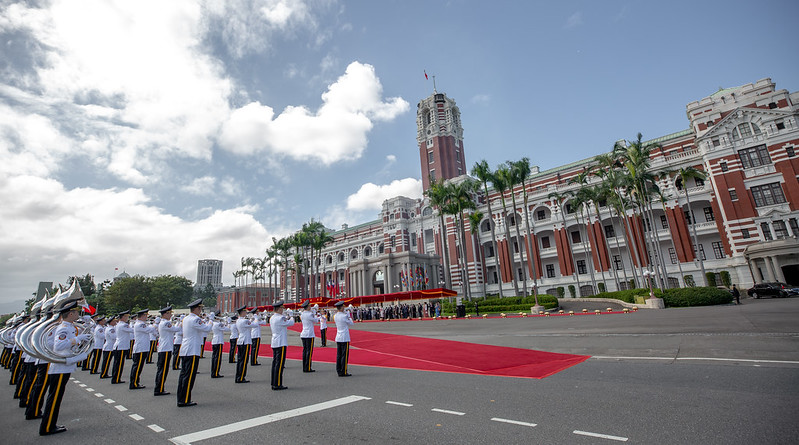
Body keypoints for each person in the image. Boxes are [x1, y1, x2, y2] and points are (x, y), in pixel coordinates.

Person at [39, 301, 89, 436]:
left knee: (56, 397)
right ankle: (48, 426)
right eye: (77, 312)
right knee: (54, 398)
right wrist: (77, 339)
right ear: (71, 313)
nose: (78, 314)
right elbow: (59, 346)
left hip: (64, 366)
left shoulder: (69, 327)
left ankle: (50, 424)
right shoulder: (63, 328)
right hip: (60, 366)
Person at [176, 299, 211, 407]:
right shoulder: (195, 319)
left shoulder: (186, 318)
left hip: (186, 349)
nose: (201, 311)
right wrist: (211, 321)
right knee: (189, 376)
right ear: (196, 308)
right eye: (200, 309)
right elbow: (207, 329)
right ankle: (185, 399)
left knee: (183, 375)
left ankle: (181, 398)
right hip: (192, 350)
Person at [154, 306, 180, 396]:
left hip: (164, 348)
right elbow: (176, 329)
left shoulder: (164, 323)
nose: (171, 315)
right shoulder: (165, 323)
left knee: (162, 369)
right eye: (169, 313)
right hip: (165, 348)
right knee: (163, 370)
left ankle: (159, 388)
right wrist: (181, 323)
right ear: (165, 314)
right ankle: (159, 389)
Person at [269, 301, 294, 390]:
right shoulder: (280, 318)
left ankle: (274, 382)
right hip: (281, 342)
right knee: (279, 364)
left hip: (275, 342)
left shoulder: (272, 317)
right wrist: (291, 315)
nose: (282, 310)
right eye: (282, 308)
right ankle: (278, 384)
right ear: (279, 309)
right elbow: (291, 323)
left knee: (275, 363)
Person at [130, 309, 154, 389]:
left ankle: (136, 382)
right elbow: (149, 329)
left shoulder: (141, 324)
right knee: (137, 367)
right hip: (140, 348)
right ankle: (134, 383)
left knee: (138, 367)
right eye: (146, 315)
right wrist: (152, 325)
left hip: (142, 348)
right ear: (142, 316)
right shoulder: (140, 324)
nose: (147, 317)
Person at [234, 306, 256, 383]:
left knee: (240, 360)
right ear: (242, 312)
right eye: (245, 311)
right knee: (244, 361)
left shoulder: (238, 320)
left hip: (241, 340)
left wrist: (250, 320)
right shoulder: (244, 321)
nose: (246, 313)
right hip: (245, 341)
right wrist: (254, 318)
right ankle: (241, 377)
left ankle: (238, 376)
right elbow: (255, 325)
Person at [111, 310, 133, 384]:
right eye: (126, 316)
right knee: (119, 364)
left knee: (117, 363)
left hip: (119, 346)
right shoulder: (123, 325)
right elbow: (132, 330)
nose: (127, 318)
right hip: (121, 346)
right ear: (123, 317)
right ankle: (116, 379)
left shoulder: (119, 324)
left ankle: (115, 378)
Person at [334, 300, 354, 377]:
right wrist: (349, 315)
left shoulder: (336, 315)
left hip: (338, 337)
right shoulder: (344, 316)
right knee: (344, 355)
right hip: (344, 337)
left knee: (339, 355)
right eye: (343, 306)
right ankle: (343, 371)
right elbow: (352, 323)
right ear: (341, 307)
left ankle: (338, 370)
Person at [299, 300, 317, 372]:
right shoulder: (310, 314)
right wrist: (315, 313)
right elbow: (316, 320)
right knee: (309, 351)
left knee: (305, 351)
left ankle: (304, 367)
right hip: (309, 334)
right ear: (308, 307)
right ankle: (308, 367)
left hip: (304, 334)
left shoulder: (302, 314)